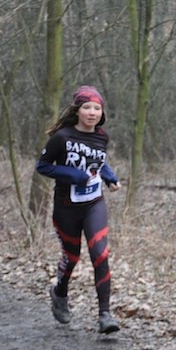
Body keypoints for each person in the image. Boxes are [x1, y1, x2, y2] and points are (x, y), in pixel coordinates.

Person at [36, 85, 122, 334]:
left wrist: (110, 177)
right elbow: (43, 166)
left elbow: (99, 162)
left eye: (97, 108)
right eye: (87, 107)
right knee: (71, 257)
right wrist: (73, 175)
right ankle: (59, 293)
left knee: (100, 254)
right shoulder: (62, 137)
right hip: (66, 208)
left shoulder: (102, 137)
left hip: (94, 204)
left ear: (102, 112)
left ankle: (105, 314)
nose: (92, 112)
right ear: (77, 111)